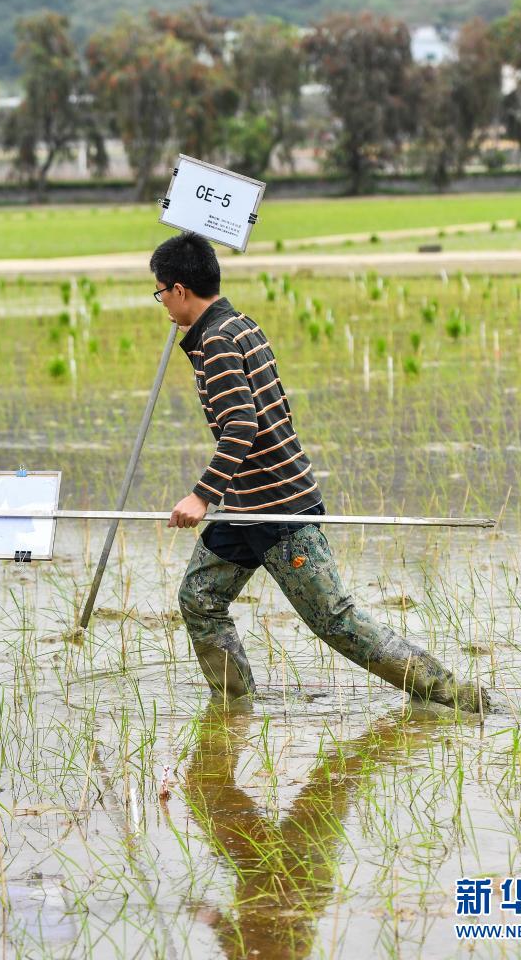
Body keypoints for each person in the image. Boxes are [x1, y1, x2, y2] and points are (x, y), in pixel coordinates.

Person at [150, 232, 490, 714]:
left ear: (180, 289)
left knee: (335, 621)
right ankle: (232, 705)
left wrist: (201, 496)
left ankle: (449, 693)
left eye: (161, 291)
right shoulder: (238, 325)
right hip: (246, 504)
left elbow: (242, 425)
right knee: (200, 598)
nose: (161, 302)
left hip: (278, 507)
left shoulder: (220, 343)